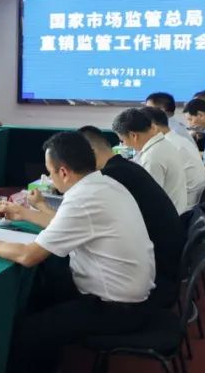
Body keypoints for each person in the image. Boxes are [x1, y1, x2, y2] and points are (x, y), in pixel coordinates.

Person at [0, 132, 155, 373]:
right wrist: (23, 213)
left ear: (63, 172)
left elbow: (28, 255)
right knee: (45, 286)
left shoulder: (82, 199)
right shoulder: (105, 185)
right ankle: (49, 364)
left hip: (116, 308)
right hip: (131, 293)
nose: (50, 178)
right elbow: (65, 224)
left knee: (27, 331)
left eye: (50, 172)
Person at [77, 125, 184, 309]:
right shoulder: (126, 167)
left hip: (158, 269)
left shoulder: (112, 177)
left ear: (91, 152)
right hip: (169, 255)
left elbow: (85, 222)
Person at [111, 108, 188, 213]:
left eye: (122, 140)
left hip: (166, 217)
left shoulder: (152, 157)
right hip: (175, 210)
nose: (123, 145)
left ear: (133, 136)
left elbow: (148, 199)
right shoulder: (163, 144)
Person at [140, 106, 205, 210]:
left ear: (153, 127)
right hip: (194, 200)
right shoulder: (178, 139)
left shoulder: (164, 147)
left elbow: (152, 191)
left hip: (184, 206)